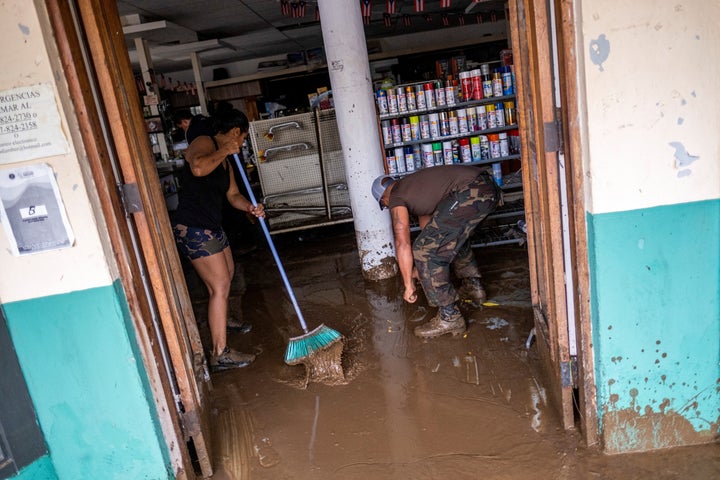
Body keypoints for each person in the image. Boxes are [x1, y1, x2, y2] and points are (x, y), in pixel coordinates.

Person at [172, 107, 265, 372]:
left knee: (229, 272)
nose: (242, 143)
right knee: (220, 285)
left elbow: (233, 195)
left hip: (210, 224)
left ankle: (221, 320)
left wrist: (249, 207)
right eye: (243, 138)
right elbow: (198, 167)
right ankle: (219, 353)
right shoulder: (205, 142)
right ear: (235, 132)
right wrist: (225, 151)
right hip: (193, 226)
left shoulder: (226, 162)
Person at [371, 165, 500, 338]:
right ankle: (473, 287)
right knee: (446, 239)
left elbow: (402, 242)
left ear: (384, 197)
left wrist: (408, 284)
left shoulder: (396, 196)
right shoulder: (416, 189)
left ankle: (449, 317)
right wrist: (418, 271)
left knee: (423, 250)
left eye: (384, 205)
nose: (388, 207)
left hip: (469, 191)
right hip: (487, 187)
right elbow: (435, 234)